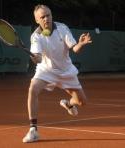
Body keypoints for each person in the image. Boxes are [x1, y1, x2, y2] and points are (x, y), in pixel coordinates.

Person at [22, 4, 92, 143]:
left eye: (48, 15)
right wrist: (36, 59)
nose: (46, 19)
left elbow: (75, 48)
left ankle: (69, 104)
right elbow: (39, 58)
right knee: (33, 89)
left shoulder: (62, 28)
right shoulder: (36, 36)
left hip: (66, 71)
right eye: (42, 17)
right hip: (46, 70)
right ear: (37, 20)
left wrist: (81, 44)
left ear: (51, 15)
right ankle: (33, 130)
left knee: (82, 102)